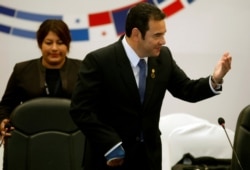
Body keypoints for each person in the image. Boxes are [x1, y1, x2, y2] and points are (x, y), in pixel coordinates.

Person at [70, 2, 232, 170]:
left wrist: (215, 79)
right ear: (136, 34)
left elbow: (187, 90)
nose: (163, 41)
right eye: (157, 35)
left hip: (149, 159)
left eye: (164, 34)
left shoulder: (163, 58)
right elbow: (80, 110)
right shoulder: (100, 61)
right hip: (110, 159)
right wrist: (111, 144)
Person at [0, 19, 81, 144]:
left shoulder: (82, 69)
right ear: (40, 44)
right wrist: (3, 120)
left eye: (60, 43)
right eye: (48, 43)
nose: (54, 48)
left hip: (74, 138)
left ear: (67, 44)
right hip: (29, 137)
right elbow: (6, 105)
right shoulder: (21, 70)